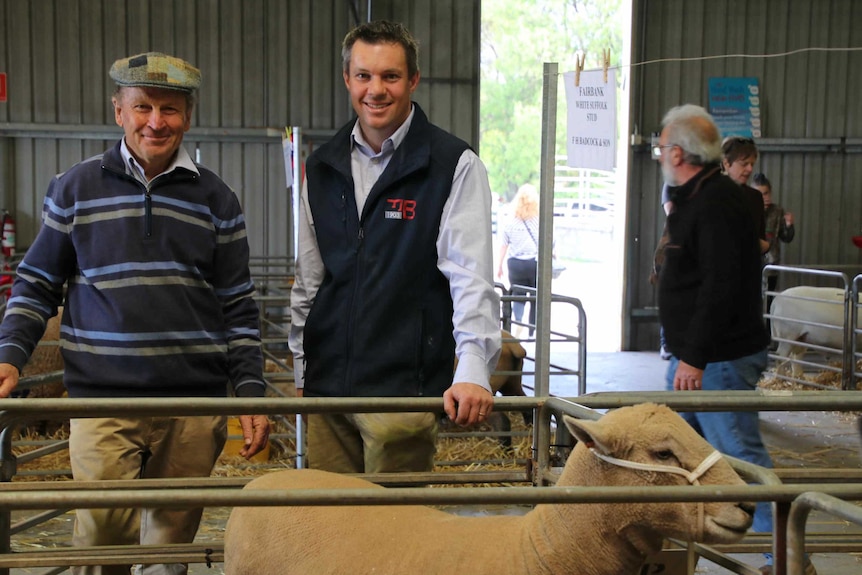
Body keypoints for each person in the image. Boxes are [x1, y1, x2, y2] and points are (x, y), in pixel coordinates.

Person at [0, 52, 271, 575]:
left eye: (170, 109)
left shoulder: (218, 199)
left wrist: (251, 392)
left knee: (170, 544)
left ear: (188, 117)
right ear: (118, 111)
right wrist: (10, 354)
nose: (156, 121)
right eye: (142, 106)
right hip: (104, 399)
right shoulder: (75, 188)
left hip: (192, 404)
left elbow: (237, 303)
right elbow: (36, 282)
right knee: (102, 537)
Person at [288, 21, 501, 474]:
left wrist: (473, 367)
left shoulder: (451, 166)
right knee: (328, 531)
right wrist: (302, 370)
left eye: (391, 76)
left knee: (395, 533)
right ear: (347, 79)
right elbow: (310, 277)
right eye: (364, 76)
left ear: (413, 80)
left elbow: (470, 275)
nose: (376, 90)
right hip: (329, 388)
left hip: (404, 390)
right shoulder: (322, 166)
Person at [654, 104, 817, 575]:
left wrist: (695, 357)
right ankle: (669, 546)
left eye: (663, 147)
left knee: (742, 458)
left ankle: (787, 559)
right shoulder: (698, 195)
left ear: (679, 152)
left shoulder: (717, 203)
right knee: (673, 449)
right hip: (697, 356)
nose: (660, 154)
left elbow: (720, 285)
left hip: (715, 358)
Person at [497, 183, 540, 338]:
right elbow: (550, 241)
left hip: (515, 264)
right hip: (535, 263)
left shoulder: (510, 221)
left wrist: (499, 265)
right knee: (537, 297)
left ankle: (519, 323)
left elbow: (503, 244)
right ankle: (532, 331)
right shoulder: (539, 221)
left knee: (518, 296)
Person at [753, 172, 795, 317]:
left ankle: (769, 331)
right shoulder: (748, 210)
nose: (764, 197)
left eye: (766, 193)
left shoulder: (777, 211)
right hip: (751, 264)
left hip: (771, 264)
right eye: (760, 194)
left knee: (769, 299)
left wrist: (789, 226)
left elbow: (785, 237)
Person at [721, 136, 769, 254]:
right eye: (744, 164)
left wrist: (764, 246)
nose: (749, 169)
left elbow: (762, 239)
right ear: (726, 163)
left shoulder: (756, 197)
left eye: (752, 164)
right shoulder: (711, 195)